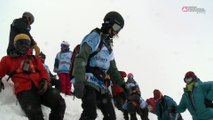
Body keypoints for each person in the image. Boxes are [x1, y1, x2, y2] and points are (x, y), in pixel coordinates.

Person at [72, 11, 127, 120]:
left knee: (111, 116)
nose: (116, 32)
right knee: (90, 113)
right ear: (109, 23)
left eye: (119, 30)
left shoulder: (109, 45)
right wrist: (79, 81)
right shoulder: (95, 37)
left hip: (101, 85)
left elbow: (112, 69)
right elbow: (81, 58)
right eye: (116, 27)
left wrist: (123, 85)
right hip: (88, 81)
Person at [0, 33, 66, 120]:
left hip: (41, 87)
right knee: (36, 116)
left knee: (60, 103)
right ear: (15, 45)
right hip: (24, 90)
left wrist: (44, 80)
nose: (24, 46)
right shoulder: (7, 59)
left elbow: (43, 71)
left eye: (26, 43)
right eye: (21, 43)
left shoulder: (34, 59)